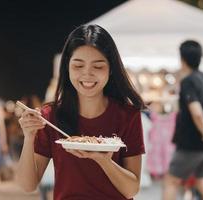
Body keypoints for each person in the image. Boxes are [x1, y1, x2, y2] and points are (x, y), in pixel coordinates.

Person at [16, 24, 146, 199]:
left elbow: (132, 189)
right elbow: (27, 185)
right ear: (67, 67)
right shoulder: (50, 116)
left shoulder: (128, 115)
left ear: (111, 69)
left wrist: (104, 160)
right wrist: (29, 136)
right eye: (78, 66)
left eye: (98, 67)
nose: (87, 74)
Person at [162, 40, 203, 200]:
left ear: (182, 59)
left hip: (192, 141)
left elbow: (196, 112)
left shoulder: (188, 81)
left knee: (171, 181)